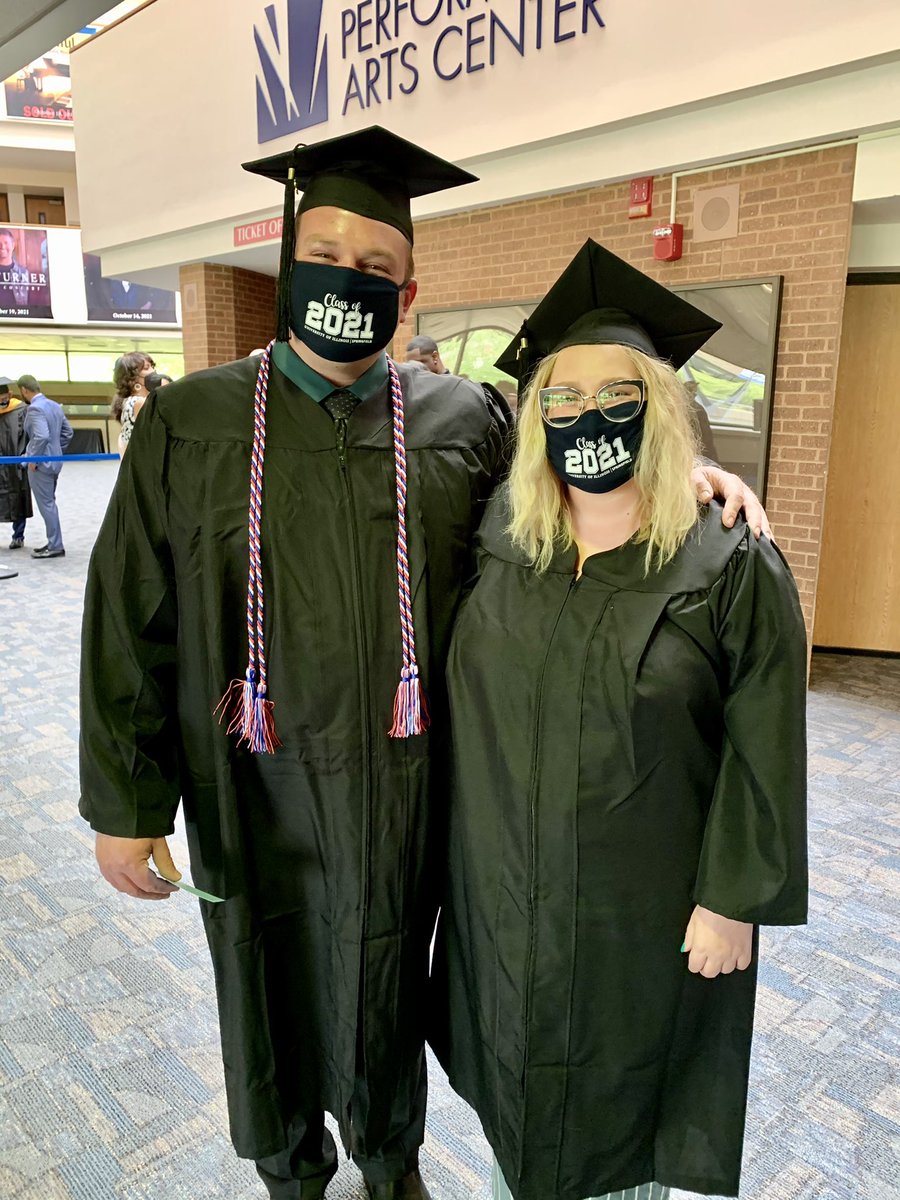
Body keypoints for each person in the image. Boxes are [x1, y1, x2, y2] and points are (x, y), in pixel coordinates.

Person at [79, 128, 764, 1200]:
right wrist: (127, 802)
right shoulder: (190, 420)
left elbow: (560, 507)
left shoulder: (463, 419)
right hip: (252, 782)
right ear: (287, 265)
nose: (346, 281)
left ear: (407, 296)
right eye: (325, 257)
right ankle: (291, 1166)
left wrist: (693, 477)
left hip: (415, 785)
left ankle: (390, 1159)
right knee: (264, 968)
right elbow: (129, 619)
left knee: (393, 969)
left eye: (376, 267)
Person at [430, 240, 808, 1200]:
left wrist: (733, 900)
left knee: (623, 1107)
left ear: (661, 408)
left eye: (616, 393)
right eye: (561, 397)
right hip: (502, 886)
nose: (585, 415)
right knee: (516, 1086)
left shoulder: (726, 555)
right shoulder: (498, 535)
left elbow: (766, 741)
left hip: (641, 907)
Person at [18, 374, 72, 559]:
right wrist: (56, 451)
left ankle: (55, 545)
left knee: (47, 505)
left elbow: (41, 436)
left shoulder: (35, 408)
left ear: (24, 390)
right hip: (54, 462)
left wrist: (34, 458)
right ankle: (53, 542)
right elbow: (68, 433)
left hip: (41, 465)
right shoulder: (54, 405)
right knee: (50, 502)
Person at [0, 375, 33, 549]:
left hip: (15, 463)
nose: (2, 401)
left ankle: (18, 535)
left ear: (10, 394)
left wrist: (24, 455)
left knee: (18, 496)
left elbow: (27, 435)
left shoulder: (21, 410)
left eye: (3, 397)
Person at [111, 352, 153, 455]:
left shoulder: (127, 402)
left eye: (152, 366)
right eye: (146, 368)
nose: (153, 371)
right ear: (132, 377)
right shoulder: (139, 402)